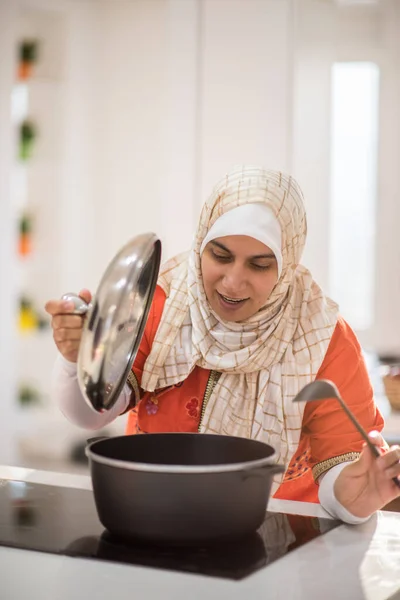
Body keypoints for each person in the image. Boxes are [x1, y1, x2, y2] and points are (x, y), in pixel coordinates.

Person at [45, 165, 400, 524]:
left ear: (286, 266)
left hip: (277, 539)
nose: (232, 282)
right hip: (155, 517)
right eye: (220, 255)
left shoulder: (322, 339)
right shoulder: (164, 304)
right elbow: (91, 413)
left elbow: (342, 474)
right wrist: (75, 361)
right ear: (201, 243)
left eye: (259, 265)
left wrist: (356, 497)